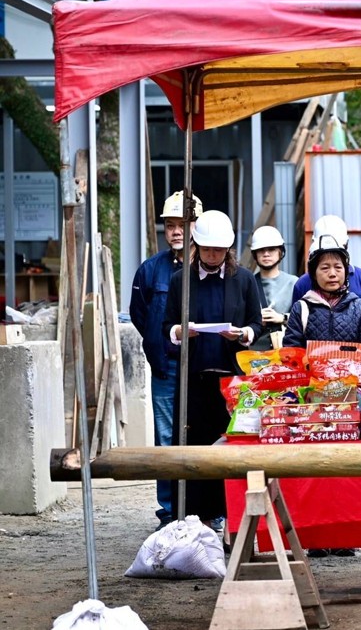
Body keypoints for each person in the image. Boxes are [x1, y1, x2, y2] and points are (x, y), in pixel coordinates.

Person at [163, 210, 262, 526]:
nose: (212, 255)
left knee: (233, 446)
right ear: (196, 247)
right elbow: (166, 324)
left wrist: (243, 334)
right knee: (193, 446)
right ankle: (194, 517)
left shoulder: (243, 279)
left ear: (229, 249)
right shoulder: (182, 280)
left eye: (218, 250)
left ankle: (232, 516)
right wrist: (181, 331)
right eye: (207, 250)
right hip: (195, 379)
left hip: (232, 380)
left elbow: (256, 323)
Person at [130, 190, 203, 529]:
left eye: (183, 224)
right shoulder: (149, 271)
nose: (176, 231)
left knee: (203, 434)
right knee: (165, 437)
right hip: (166, 367)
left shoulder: (208, 267)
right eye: (170, 225)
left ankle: (206, 510)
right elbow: (140, 315)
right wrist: (159, 345)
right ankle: (169, 512)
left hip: (203, 368)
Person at [283, 234, 361, 347]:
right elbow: (291, 351)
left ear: (346, 271)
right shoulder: (301, 309)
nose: (332, 274)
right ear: (314, 274)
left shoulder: (360, 308)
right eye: (325, 268)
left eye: (338, 267)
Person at [292, 215, 361, 329]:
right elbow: (297, 325)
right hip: (312, 347)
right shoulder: (302, 285)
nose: (332, 274)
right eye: (325, 267)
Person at [249, 225, 298, 351]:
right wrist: (256, 320)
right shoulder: (248, 283)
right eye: (261, 250)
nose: (266, 254)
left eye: (271, 249)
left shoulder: (294, 283)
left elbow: (306, 319)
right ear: (255, 254)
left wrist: (283, 318)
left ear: (280, 252)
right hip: (254, 355)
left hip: (285, 351)